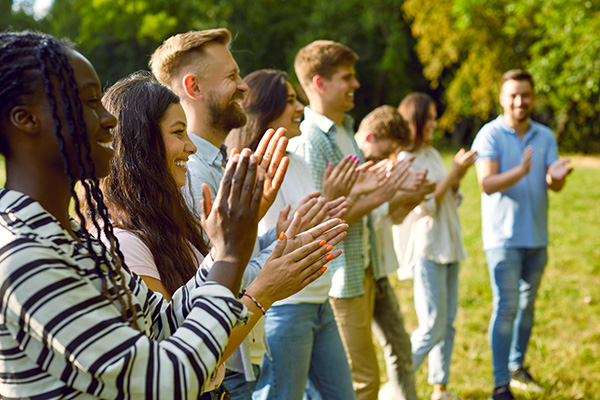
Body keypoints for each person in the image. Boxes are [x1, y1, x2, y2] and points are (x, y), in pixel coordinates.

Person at [0, 30, 263, 399]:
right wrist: (232, 257)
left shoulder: (69, 238)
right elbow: (165, 380)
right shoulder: (27, 258)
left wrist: (222, 250)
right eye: (89, 102)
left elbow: (164, 322)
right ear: (26, 119)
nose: (110, 120)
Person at [92, 72, 348, 397]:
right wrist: (262, 293)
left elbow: (204, 292)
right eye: (178, 132)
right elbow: (181, 354)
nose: (190, 145)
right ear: (141, 141)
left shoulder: (162, 221)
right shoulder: (124, 243)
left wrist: (252, 233)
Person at [150, 29, 289, 398]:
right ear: (193, 87)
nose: (244, 87)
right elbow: (217, 276)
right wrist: (279, 260)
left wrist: (278, 238)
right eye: (231, 77)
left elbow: (230, 255)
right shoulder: (189, 175)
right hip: (218, 367)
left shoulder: (218, 162)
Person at [288, 39, 426, 400]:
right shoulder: (312, 142)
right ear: (320, 83)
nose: (356, 84)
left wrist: (395, 190)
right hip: (342, 277)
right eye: (347, 77)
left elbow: (362, 193)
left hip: (367, 266)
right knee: (361, 379)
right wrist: (381, 194)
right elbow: (324, 217)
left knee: (391, 355)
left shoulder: (346, 129)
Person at [226, 69, 355, 400]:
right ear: (265, 109)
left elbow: (312, 220)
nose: (300, 107)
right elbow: (272, 241)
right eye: (290, 101)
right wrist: (325, 207)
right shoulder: (253, 169)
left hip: (318, 300)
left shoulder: (295, 159)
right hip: (288, 307)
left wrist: (334, 199)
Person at [471, 69, 573, 400]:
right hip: (503, 239)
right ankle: (500, 384)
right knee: (506, 306)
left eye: (525, 95)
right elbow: (486, 184)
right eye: (513, 95)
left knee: (528, 307)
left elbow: (553, 184)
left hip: (537, 237)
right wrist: (521, 171)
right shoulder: (489, 135)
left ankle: (518, 367)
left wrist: (556, 177)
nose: (519, 101)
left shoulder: (544, 136)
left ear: (533, 97)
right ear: (501, 98)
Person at [393, 93, 476, 400]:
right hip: (427, 247)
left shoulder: (430, 154)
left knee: (448, 323)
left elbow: (448, 198)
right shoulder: (405, 161)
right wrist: (453, 173)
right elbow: (424, 206)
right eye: (428, 118)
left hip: (449, 242)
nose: (434, 123)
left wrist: (457, 177)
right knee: (432, 326)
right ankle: (397, 386)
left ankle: (440, 387)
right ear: (413, 122)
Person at [355, 105, 437, 400]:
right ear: (369, 136)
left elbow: (393, 217)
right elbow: (364, 216)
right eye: (385, 152)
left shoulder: (380, 164)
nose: (386, 161)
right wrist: (401, 194)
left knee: (400, 347)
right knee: (362, 369)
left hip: (377, 270)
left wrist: (413, 198)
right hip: (351, 279)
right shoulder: (352, 165)